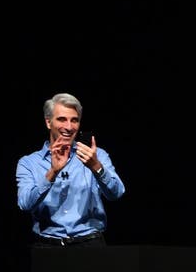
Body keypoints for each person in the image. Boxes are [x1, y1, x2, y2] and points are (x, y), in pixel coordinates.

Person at [16, 92, 126, 246]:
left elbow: (116, 194)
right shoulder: (29, 162)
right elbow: (25, 204)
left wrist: (96, 167)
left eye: (74, 120)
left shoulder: (96, 155)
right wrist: (52, 172)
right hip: (48, 247)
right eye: (62, 119)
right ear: (48, 122)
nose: (69, 127)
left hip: (90, 244)